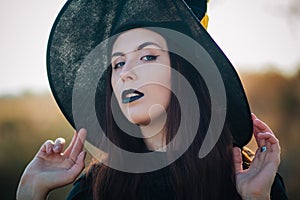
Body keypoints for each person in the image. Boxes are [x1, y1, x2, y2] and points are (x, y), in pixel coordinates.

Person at [16, 0, 288, 199]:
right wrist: (30, 189)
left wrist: (256, 198)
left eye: (147, 56)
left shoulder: (248, 179)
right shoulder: (95, 189)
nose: (126, 75)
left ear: (185, 73)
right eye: (117, 64)